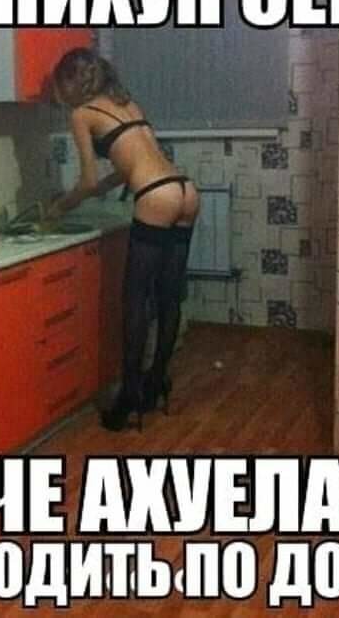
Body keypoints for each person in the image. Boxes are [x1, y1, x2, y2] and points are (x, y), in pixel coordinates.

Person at [49, 48, 200, 432]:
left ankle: (129, 396)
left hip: (155, 196)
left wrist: (60, 207)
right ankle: (156, 382)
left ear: (70, 83)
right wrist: (104, 187)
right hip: (183, 190)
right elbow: (131, 162)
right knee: (168, 297)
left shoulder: (82, 114)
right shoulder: (126, 104)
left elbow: (86, 181)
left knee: (134, 300)